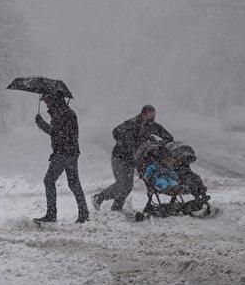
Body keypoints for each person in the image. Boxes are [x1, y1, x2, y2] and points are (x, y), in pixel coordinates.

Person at [92, 104, 174, 211]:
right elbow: (115, 131)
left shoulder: (152, 125)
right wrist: (125, 144)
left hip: (132, 159)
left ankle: (116, 209)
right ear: (143, 114)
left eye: (153, 115)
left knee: (128, 186)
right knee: (123, 184)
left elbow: (168, 137)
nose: (152, 117)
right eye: (150, 115)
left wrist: (158, 144)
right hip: (119, 157)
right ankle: (99, 197)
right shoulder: (132, 123)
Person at [33, 92, 89, 224]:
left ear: (53, 99)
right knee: (74, 183)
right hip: (71, 152)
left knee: (49, 181)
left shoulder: (61, 113)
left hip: (63, 153)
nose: (45, 103)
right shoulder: (64, 111)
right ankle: (84, 213)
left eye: (46, 99)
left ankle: (52, 215)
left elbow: (55, 133)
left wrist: (40, 123)